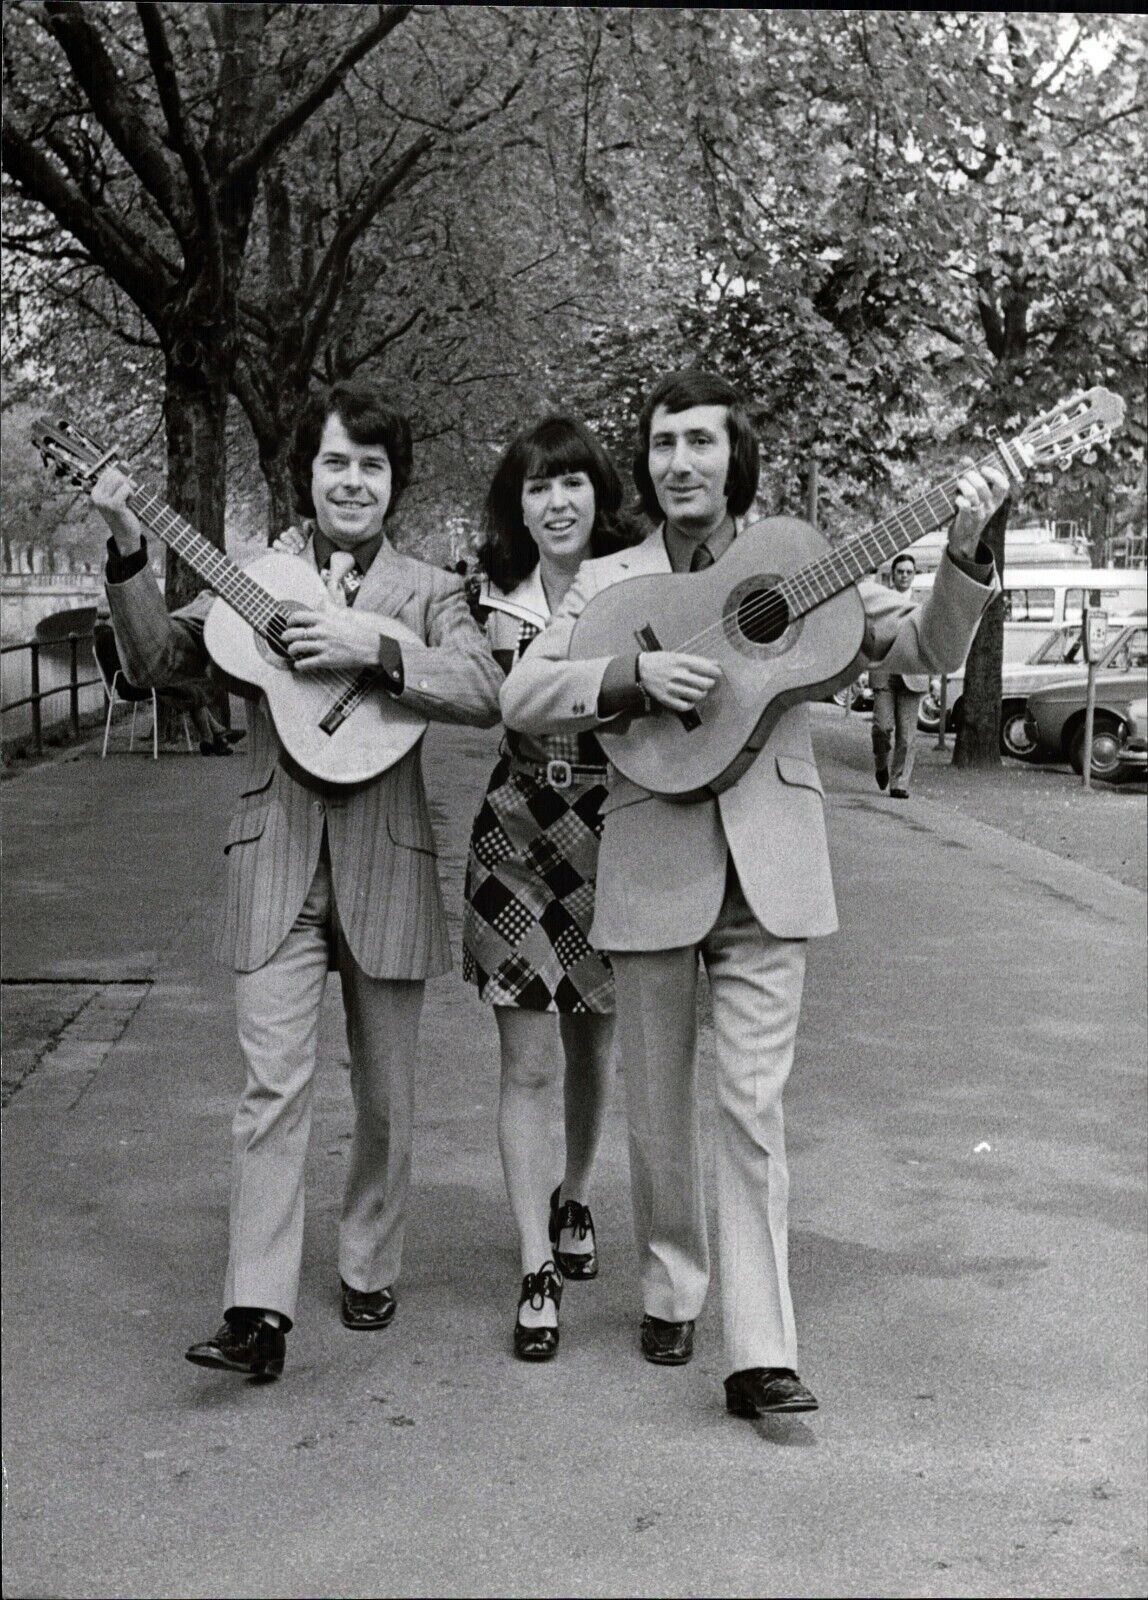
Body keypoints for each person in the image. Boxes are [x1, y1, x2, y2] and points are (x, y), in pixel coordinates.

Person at [500, 368, 1006, 1420]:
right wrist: (629, 682)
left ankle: (759, 1348)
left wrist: (967, 545)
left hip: (771, 857)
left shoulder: (799, 560)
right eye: (661, 443)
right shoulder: (610, 579)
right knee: (655, 1109)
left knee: (750, 1104)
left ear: (737, 458)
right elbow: (522, 690)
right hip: (648, 854)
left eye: (699, 442)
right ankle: (671, 1281)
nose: (678, 462)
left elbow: (920, 650)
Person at [92, 378, 503, 1380]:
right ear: (306, 475)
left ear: (392, 482)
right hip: (275, 854)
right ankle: (256, 1310)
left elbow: (486, 688)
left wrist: (375, 650)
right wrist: (126, 544)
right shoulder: (254, 580)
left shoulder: (428, 590)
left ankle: (368, 1258)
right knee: (270, 1087)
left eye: (370, 464)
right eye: (334, 462)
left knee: (388, 1096)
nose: (352, 481)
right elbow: (153, 661)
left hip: (387, 856)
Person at [463, 415, 643, 1360]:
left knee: (594, 1046)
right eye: (537, 486)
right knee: (527, 1060)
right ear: (517, 505)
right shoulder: (483, 596)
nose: (557, 501)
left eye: (572, 482)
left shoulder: (640, 582)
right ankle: (536, 1259)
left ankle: (578, 1194)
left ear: (597, 493)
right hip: (518, 837)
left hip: (618, 831)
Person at [870, 552, 929, 797]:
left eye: (909, 572)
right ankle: (881, 764)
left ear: (914, 576)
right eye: (900, 571)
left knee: (906, 736)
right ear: (892, 575)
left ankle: (899, 783)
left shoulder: (924, 604)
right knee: (882, 728)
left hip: (913, 673)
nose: (904, 576)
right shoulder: (882, 600)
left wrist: (933, 677)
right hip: (885, 670)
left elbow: (931, 642)